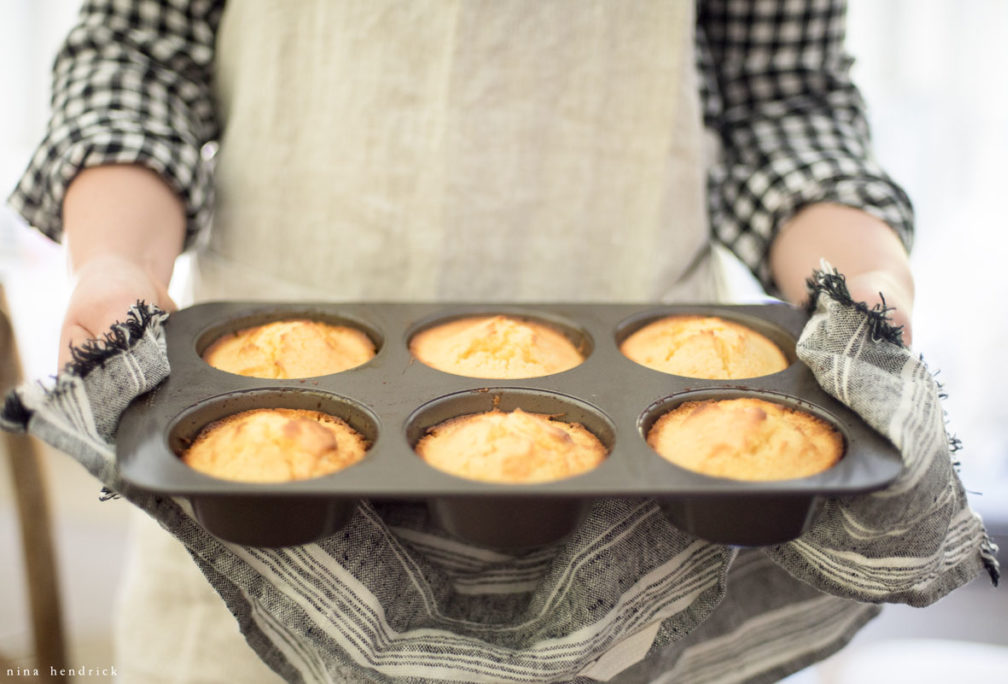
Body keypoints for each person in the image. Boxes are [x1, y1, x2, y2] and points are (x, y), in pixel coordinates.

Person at [10, 1, 917, 681]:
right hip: (268, 485)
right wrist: (117, 264)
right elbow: (139, 53)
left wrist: (860, 282)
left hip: (647, 483)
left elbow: (784, 99)